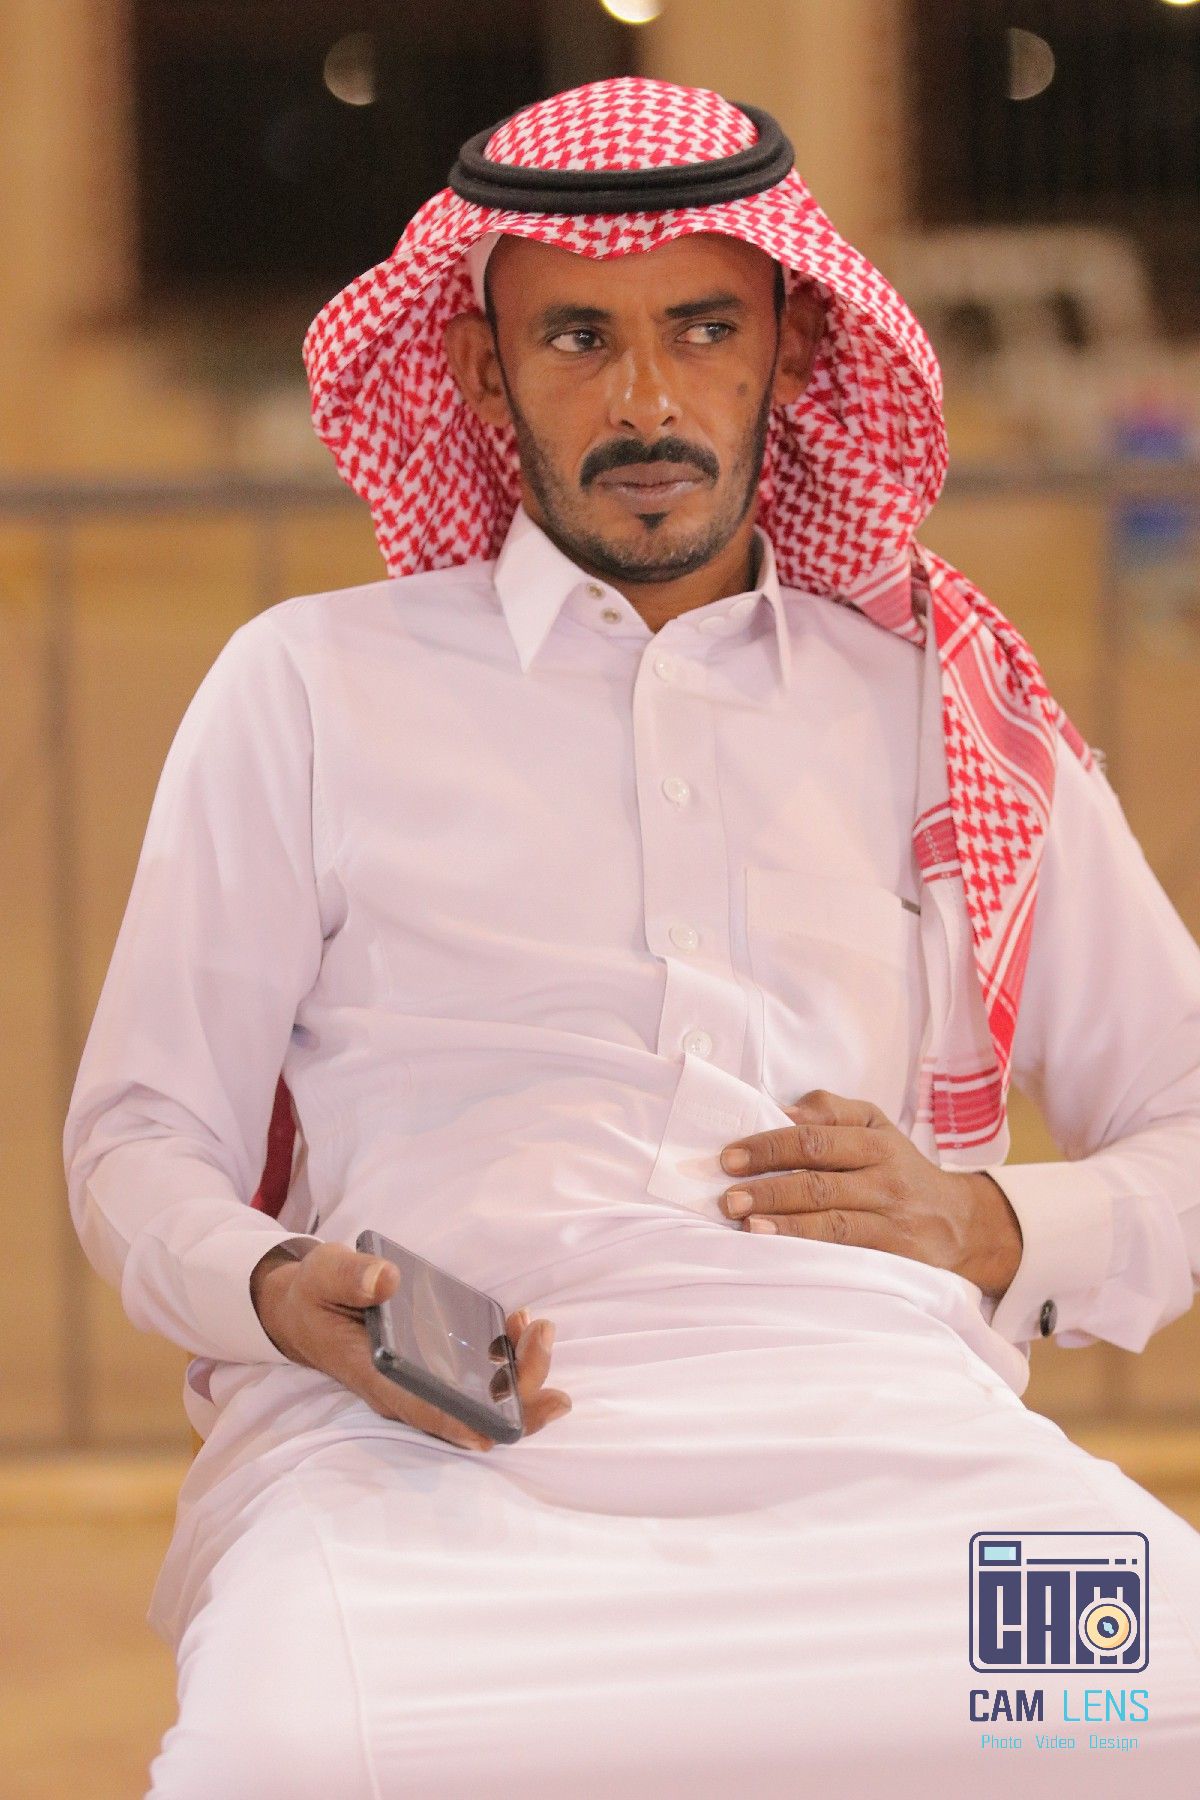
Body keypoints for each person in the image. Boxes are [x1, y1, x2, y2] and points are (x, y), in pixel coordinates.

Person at [63, 77, 1200, 1798]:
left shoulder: (937, 707)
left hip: (895, 1449)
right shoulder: (310, 684)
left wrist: (989, 1222)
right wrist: (283, 1294)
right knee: (280, 1753)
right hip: (426, 1469)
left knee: (1155, 1703)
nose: (648, 400)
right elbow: (142, 1139)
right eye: (580, 337)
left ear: (793, 353)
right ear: (480, 370)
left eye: (703, 330)